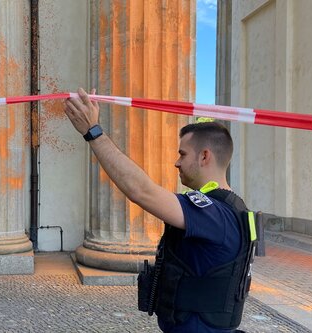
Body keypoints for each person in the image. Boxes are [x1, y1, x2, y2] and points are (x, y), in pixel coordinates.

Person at [64, 88, 255, 333]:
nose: (176, 162)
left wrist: (93, 132)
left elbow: (141, 191)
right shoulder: (228, 208)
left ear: (205, 156)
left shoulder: (213, 213)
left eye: (182, 154)